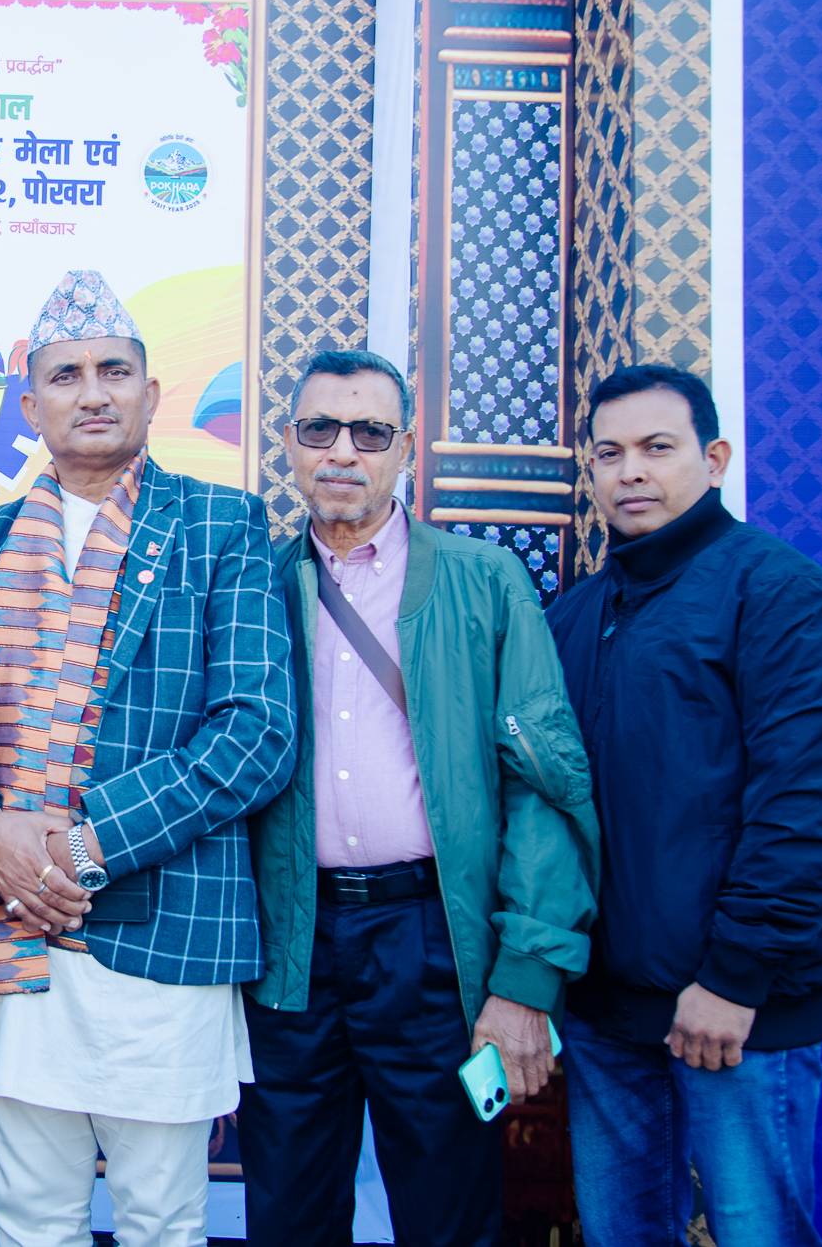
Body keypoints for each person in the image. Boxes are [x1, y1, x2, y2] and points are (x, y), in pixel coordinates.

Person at [0, 269, 297, 1245]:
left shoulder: (220, 524)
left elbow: (255, 733)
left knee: (162, 1220)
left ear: (151, 394)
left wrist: (82, 848)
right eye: (65, 375)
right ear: (29, 407)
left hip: (166, 931)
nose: (92, 392)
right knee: (30, 1217)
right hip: (10, 931)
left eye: (113, 371)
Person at [238, 348, 599, 1247]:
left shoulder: (483, 580)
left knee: (449, 1214)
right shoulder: (255, 585)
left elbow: (544, 790)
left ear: (406, 446)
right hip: (290, 943)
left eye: (370, 431)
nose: (342, 450)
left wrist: (524, 979)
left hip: (433, 937)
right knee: (287, 1212)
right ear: (288, 443)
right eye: (319, 428)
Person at [547, 364, 822, 1246]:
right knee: (621, 1233)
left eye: (658, 447)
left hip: (737, 1013)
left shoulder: (780, 592)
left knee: (756, 1231)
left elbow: (812, 803)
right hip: (605, 1010)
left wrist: (734, 976)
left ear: (715, 457)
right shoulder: (575, 615)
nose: (631, 471)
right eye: (608, 453)